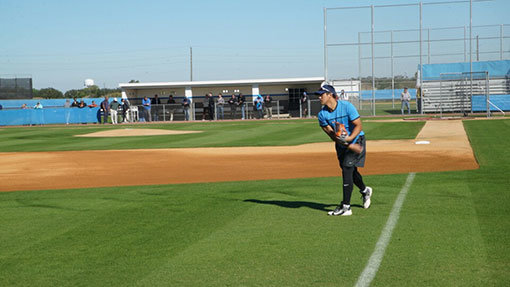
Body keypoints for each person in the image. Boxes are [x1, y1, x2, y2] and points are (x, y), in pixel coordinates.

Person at [315, 84, 372, 216]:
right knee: (351, 171)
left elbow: (358, 125)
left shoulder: (347, 107)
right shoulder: (322, 115)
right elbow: (331, 134)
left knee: (347, 168)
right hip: (341, 144)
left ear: (330, 95)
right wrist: (345, 144)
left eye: (321, 94)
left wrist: (350, 140)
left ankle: (346, 207)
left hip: (357, 139)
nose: (319, 97)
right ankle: (365, 191)